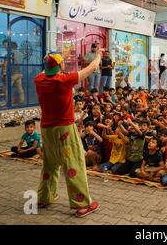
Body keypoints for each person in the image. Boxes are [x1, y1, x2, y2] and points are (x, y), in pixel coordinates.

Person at [34, 49, 103, 217]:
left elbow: (46, 66)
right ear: (60, 66)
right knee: (74, 164)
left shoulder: (39, 79)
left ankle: (44, 197)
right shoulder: (64, 80)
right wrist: (99, 54)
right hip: (64, 128)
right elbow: (92, 67)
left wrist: (59, 59)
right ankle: (82, 205)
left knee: (49, 164)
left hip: (46, 129)